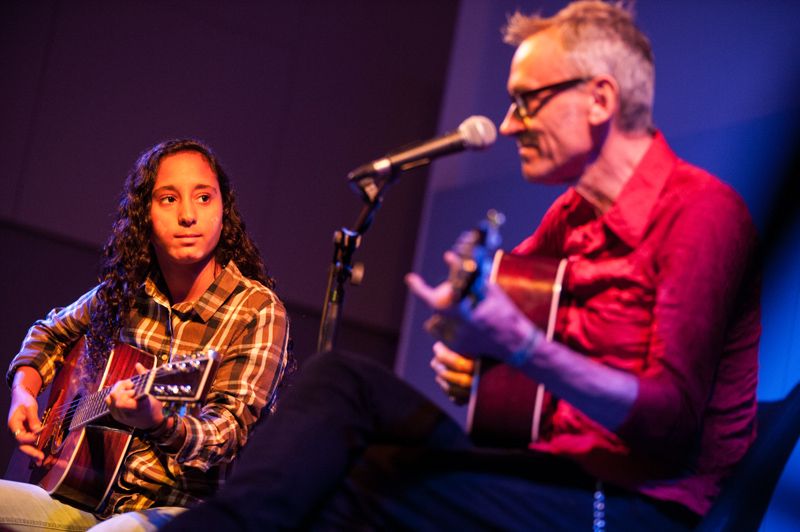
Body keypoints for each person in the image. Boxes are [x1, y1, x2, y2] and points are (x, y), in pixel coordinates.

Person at [162, 2, 760, 530]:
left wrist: (517, 345)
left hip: (635, 506)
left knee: (356, 485)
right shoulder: (572, 215)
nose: (508, 124)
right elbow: (509, 317)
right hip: (549, 471)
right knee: (340, 382)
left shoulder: (702, 213)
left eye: (527, 101)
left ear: (600, 99)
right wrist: (478, 356)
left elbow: (669, 422)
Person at [1, 138, 290, 530]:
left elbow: (224, 435)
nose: (188, 215)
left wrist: (159, 423)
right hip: (86, 497)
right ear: (144, 217)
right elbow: (48, 332)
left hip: (184, 513)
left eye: (204, 198)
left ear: (224, 212)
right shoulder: (127, 292)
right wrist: (24, 392)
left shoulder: (256, 309)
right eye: (169, 199)